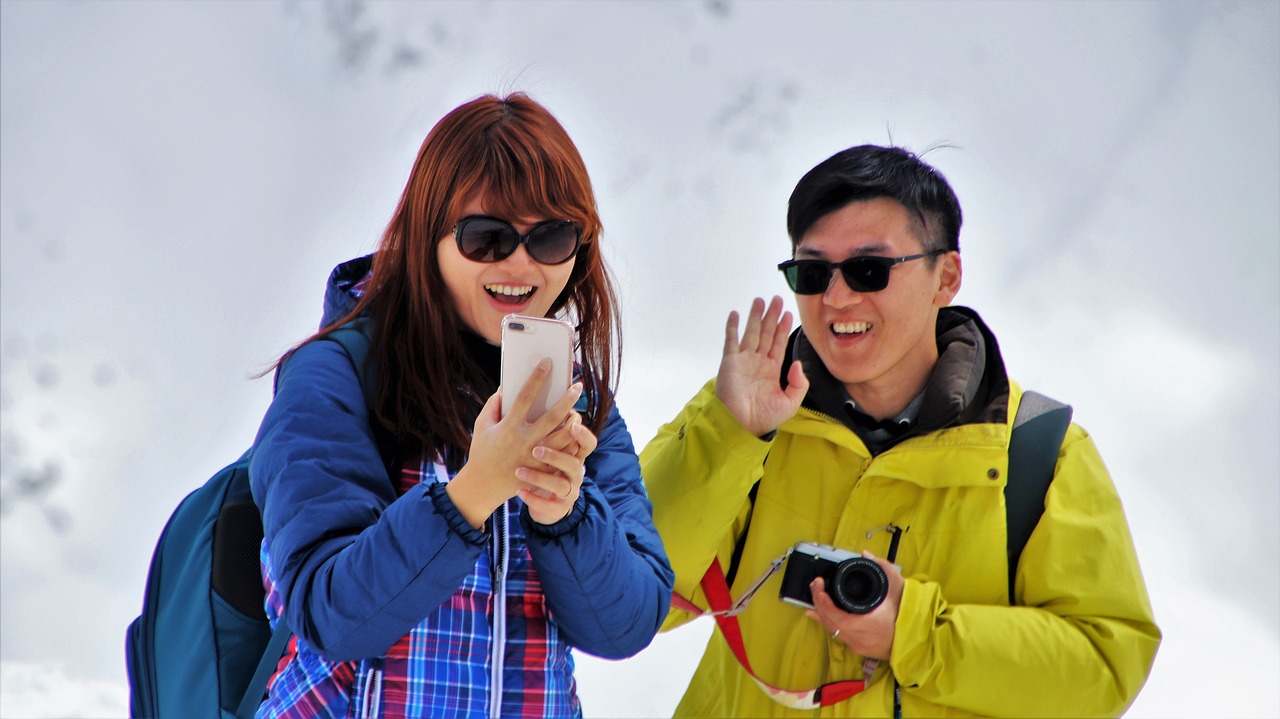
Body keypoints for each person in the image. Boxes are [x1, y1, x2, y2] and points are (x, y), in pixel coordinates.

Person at [641, 144, 1160, 717]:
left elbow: (1104, 669)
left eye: (870, 269)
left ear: (947, 276)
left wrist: (914, 633)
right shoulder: (743, 420)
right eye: (812, 273)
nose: (837, 298)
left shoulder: (1039, 451)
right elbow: (630, 601)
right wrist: (726, 435)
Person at [248, 93, 673, 718]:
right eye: (487, 237)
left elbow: (626, 624)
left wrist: (565, 515)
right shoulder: (336, 375)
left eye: (552, 237)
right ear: (429, 238)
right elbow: (330, 612)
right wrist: (472, 493)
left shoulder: (577, 403)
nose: (520, 264)